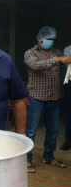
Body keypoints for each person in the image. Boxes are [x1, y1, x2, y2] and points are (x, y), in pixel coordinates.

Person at [24, 26, 71, 173]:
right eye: (48, 39)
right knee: (31, 131)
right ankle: (27, 160)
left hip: (54, 98)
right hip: (36, 97)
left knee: (53, 131)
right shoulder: (30, 53)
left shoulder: (57, 52)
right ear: (40, 39)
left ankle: (49, 157)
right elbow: (35, 66)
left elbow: (67, 60)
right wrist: (57, 60)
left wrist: (63, 59)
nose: (50, 41)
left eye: (52, 39)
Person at [61, 44, 71, 150]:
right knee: (69, 112)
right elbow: (67, 60)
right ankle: (68, 140)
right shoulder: (68, 49)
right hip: (70, 83)